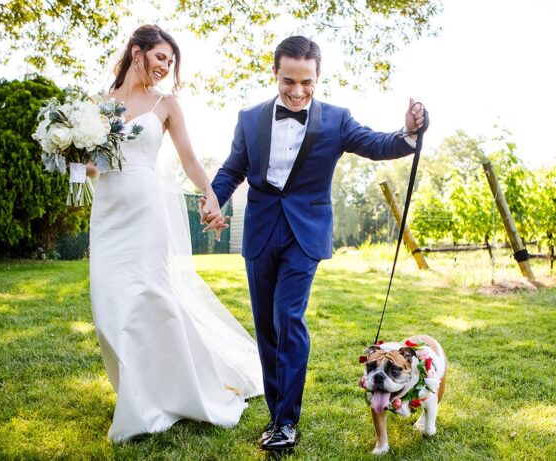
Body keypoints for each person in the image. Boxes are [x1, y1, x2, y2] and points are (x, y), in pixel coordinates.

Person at [206, 36, 427, 451]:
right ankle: (276, 414)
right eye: (288, 80)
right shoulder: (249, 118)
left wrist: (409, 132)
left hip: (305, 234)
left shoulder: (336, 120)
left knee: (288, 318)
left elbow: (377, 144)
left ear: (318, 76)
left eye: (306, 82)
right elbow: (233, 169)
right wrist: (212, 199)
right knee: (267, 328)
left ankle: (287, 423)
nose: (296, 91)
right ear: (275, 72)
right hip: (260, 230)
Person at [87, 24, 263, 442]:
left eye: (171, 61)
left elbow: (189, 160)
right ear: (137, 52)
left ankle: (157, 397)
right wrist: (74, 157)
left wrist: (210, 195)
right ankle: (138, 390)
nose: (166, 67)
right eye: (160, 57)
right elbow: (93, 166)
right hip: (108, 211)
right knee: (108, 304)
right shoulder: (97, 105)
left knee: (151, 299)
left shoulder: (166, 105)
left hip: (146, 211)